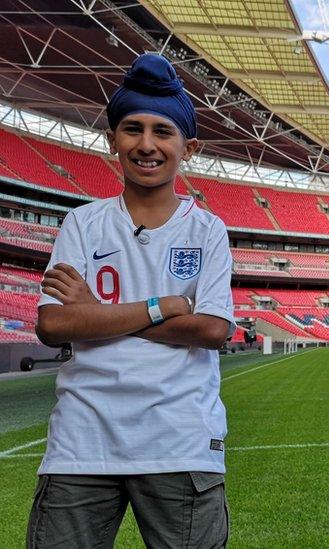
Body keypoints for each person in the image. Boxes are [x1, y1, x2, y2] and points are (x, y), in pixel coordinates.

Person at [28, 53, 235, 549]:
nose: (146, 145)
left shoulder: (208, 229)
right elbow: (53, 326)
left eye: (163, 131)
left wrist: (94, 313)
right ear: (112, 140)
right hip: (82, 442)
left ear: (190, 146)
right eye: (132, 129)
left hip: (180, 444)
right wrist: (163, 306)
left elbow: (211, 330)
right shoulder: (82, 223)